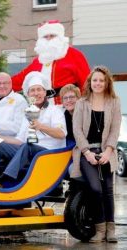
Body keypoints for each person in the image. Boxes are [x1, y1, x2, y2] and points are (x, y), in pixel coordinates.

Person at [0, 71, 67, 187]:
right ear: (28, 94)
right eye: (32, 90)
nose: (36, 93)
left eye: (39, 89)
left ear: (45, 92)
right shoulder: (29, 112)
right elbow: (20, 140)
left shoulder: (55, 111)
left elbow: (61, 133)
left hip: (49, 154)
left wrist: (41, 126)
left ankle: (2, 180)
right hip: (28, 152)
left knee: (28, 145)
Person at [71, 66, 121, 243]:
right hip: (86, 152)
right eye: (95, 80)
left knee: (108, 190)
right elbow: (76, 129)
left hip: (107, 151)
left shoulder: (114, 102)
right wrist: (87, 152)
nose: (98, 83)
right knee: (95, 189)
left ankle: (111, 230)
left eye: (101, 80)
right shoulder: (82, 103)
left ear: (107, 82)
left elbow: (115, 129)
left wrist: (108, 151)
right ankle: (99, 229)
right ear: (89, 83)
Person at [0, 20, 90, 104]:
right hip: (44, 107)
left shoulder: (74, 55)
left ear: (60, 37)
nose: (49, 39)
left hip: (68, 105)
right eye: (46, 36)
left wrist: (86, 104)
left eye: (52, 36)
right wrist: (1, 86)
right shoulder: (39, 60)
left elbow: (86, 82)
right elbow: (22, 78)